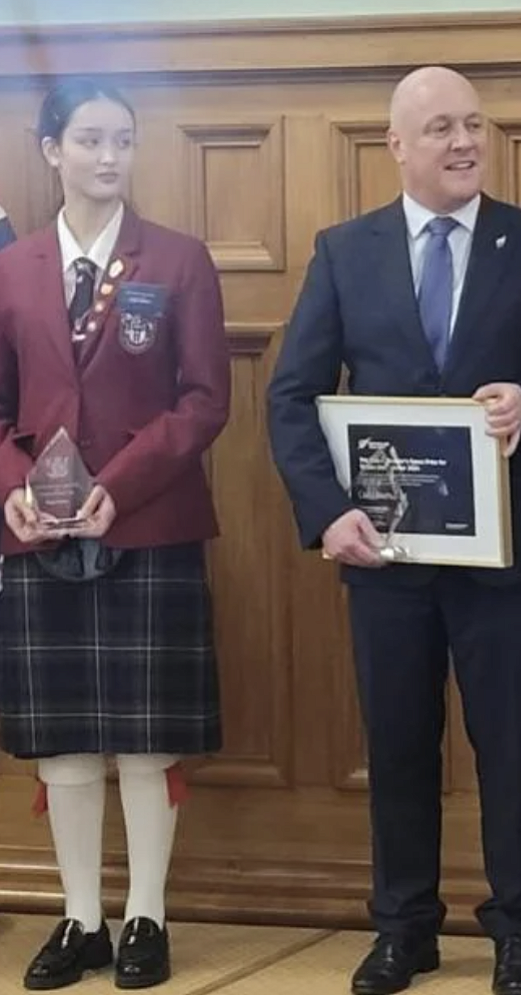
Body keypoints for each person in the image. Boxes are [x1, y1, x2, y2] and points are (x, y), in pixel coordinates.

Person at [264, 66, 521, 995]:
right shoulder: (345, 252)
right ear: (396, 146)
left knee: (511, 747)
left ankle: (517, 930)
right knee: (397, 745)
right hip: (385, 557)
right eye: (441, 128)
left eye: (473, 124)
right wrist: (326, 512)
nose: (465, 142)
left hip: (509, 557)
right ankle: (404, 928)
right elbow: (292, 395)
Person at [0, 79, 231, 990]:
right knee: (61, 740)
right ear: (51, 149)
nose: (109, 156)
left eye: (123, 140)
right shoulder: (11, 268)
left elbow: (205, 400)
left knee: (145, 736)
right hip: (38, 534)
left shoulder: (178, 259)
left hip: (151, 523)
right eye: (91, 138)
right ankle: (81, 917)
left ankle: (146, 915)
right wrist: (13, 490)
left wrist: (117, 486)